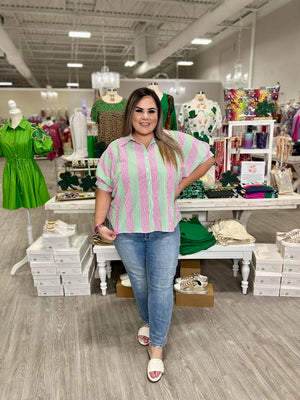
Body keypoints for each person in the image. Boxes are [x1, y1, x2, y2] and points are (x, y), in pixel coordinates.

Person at [94, 87, 214, 382]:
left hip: (164, 230)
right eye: (139, 110)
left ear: (159, 115)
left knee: (161, 287)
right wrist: (99, 224)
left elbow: (208, 157)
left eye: (151, 111)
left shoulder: (173, 142)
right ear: (129, 114)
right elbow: (104, 188)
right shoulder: (116, 150)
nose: (145, 117)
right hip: (127, 232)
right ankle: (147, 321)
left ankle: (157, 348)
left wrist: (181, 184)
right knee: (140, 283)